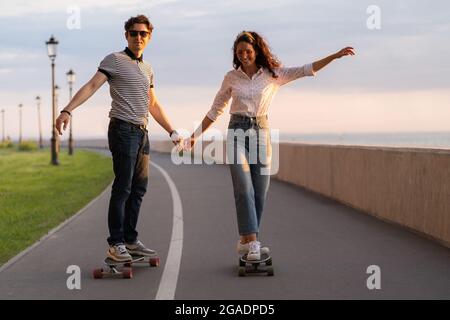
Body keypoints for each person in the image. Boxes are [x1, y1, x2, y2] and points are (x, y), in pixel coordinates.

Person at [184, 31, 354, 260]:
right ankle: (253, 243)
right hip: (236, 132)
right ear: (235, 53)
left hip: (261, 134)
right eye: (240, 52)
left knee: (260, 192)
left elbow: (306, 69)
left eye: (248, 51)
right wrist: (195, 135)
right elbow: (216, 109)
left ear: (256, 52)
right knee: (243, 187)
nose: (244, 55)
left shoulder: (273, 75)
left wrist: (334, 56)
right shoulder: (231, 77)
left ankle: (245, 240)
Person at [55, 15, 182, 262]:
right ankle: (116, 243)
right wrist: (67, 109)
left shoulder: (147, 68)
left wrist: (172, 131)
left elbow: (153, 104)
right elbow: (92, 86)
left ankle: (130, 240)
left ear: (149, 37)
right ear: (126, 35)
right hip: (122, 130)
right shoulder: (114, 60)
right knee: (123, 186)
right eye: (133, 33)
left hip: (142, 132)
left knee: (139, 188)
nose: (138, 37)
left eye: (143, 34)